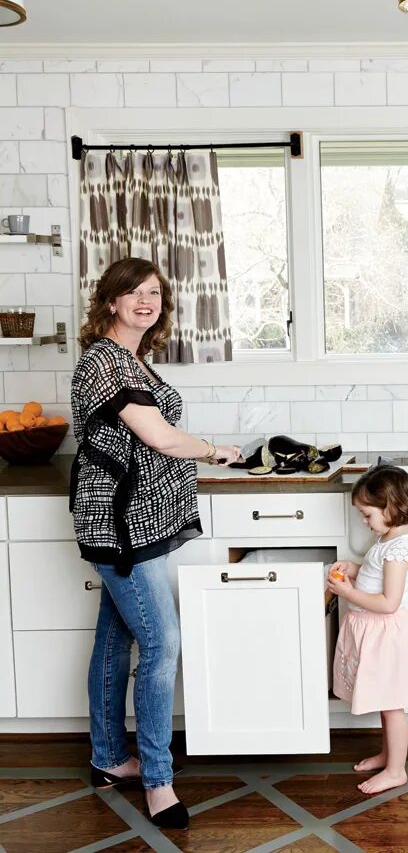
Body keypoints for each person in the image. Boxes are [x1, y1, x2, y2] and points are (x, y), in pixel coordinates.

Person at [70, 257, 242, 829]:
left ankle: (108, 757)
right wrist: (215, 451)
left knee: (115, 638)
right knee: (163, 644)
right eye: (134, 292)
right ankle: (157, 781)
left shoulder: (133, 358)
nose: (146, 301)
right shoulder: (104, 360)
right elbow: (159, 437)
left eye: (154, 292)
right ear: (111, 301)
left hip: (140, 520)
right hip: (121, 526)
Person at [326, 462, 408, 795]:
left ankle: (396, 771)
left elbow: (388, 602)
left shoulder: (398, 550)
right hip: (374, 632)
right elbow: (375, 576)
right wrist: (354, 569)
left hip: (385, 635)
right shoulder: (386, 541)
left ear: (391, 508)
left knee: (393, 705)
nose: (364, 521)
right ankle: (388, 755)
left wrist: (347, 592)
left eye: (367, 514)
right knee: (386, 699)